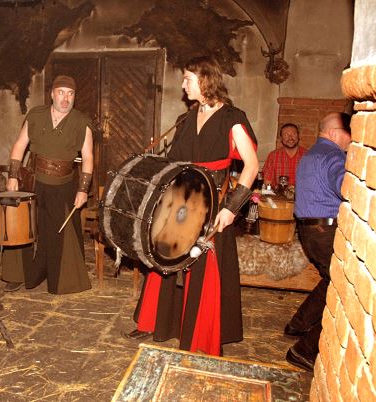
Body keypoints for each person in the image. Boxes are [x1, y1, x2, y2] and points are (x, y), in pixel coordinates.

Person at [125, 56, 259, 357]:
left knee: (202, 266)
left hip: (213, 205)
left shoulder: (232, 118)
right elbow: (174, 163)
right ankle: (155, 323)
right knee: (163, 258)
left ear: (205, 79)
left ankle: (200, 336)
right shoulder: (186, 119)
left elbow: (251, 166)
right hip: (179, 200)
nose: (183, 85)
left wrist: (231, 208)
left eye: (188, 79)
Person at [4, 75, 94, 294]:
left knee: (60, 233)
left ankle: (62, 280)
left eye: (70, 94)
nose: (65, 98)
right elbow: (20, 145)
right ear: (52, 94)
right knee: (24, 227)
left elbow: (88, 157)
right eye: (61, 93)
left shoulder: (81, 122)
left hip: (63, 186)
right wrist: (13, 175)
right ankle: (20, 275)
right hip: (33, 182)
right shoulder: (36, 115)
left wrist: (83, 189)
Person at [284, 112, 351, 372]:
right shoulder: (334, 155)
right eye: (348, 134)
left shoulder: (311, 154)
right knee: (344, 290)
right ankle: (304, 350)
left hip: (309, 230)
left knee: (331, 279)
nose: (351, 140)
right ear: (334, 133)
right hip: (326, 231)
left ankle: (298, 325)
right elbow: (346, 187)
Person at [262, 123, 307, 187]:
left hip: (301, 193)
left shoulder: (307, 156)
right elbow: (267, 181)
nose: (290, 138)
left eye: (294, 134)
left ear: (298, 136)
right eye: (286, 135)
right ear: (281, 138)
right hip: (278, 193)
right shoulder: (273, 156)